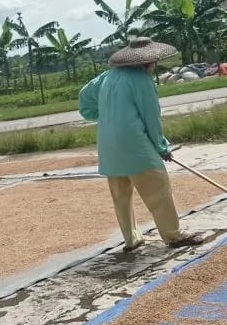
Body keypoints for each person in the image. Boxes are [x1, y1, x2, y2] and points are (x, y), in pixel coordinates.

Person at [79, 37, 203, 251]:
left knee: (121, 197)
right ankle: (173, 235)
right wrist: (162, 148)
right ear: (148, 61)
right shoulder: (142, 80)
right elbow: (151, 117)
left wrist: (103, 115)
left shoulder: (107, 77)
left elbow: (84, 97)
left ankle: (131, 239)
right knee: (158, 190)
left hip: (109, 148)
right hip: (135, 147)